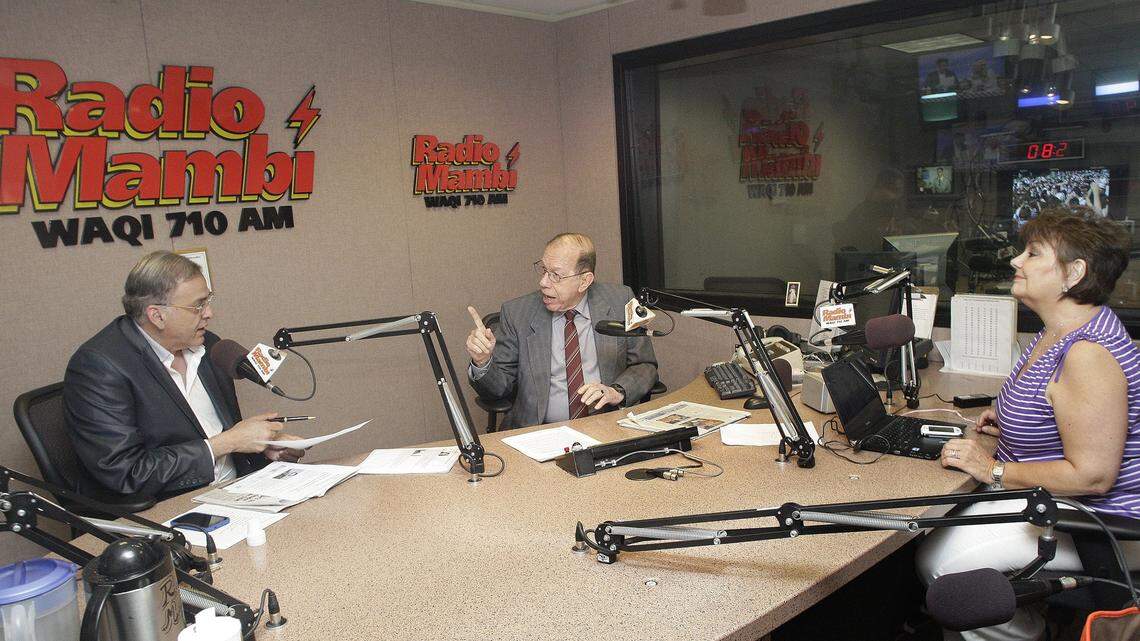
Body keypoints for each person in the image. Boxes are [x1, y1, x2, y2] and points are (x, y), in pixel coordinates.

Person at [916, 208, 1140, 641]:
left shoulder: (1088, 355)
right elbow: (1055, 405)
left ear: (1073, 273)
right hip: (1055, 499)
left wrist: (992, 470)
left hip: (1100, 521)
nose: (1016, 261)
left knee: (943, 568)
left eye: (1033, 253)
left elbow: (1092, 475)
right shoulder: (1057, 329)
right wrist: (1013, 421)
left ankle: (1025, 632)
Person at [64, 251, 305, 500]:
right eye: (197, 306)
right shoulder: (100, 367)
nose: (209, 313)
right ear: (157, 315)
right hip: (169, 508)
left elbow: (222, 436)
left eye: (208, 300)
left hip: (239, 492)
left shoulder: (209, 346)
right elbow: (127, 473)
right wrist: (228, 442)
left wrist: (262, 446)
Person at [466, 233, 658, 429]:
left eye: (556, 275)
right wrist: (482, 362)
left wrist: (617, 391)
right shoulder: (517, 313)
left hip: (604, 426)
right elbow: (498, 390)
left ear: (585, 281)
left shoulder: (620, 300)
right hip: (538, 432)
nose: (543, 282)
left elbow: (645, 365)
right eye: (543, 270)